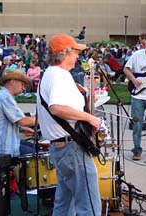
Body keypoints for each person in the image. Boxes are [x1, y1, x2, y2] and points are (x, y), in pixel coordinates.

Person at [36, 34, 101, 216]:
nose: (77, 56)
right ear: (65, 53)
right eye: (75, 52)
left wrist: (87, 99)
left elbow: (60, 107)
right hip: (71, 148)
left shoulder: (51, 74)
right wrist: (90, 118)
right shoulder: (59, 75)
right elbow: (56, 108)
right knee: (88, 204)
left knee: (64, 204)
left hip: (62, 147)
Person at [0, 70, 36, 157]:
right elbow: (23, 121)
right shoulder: (4, 97)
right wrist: (45, 120)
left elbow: (2, 121)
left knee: (31, 146)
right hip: (1, 149)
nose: (24, 88)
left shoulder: (1, 95)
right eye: (22, 84)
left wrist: (21, 129)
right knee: (35, 151)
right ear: (13, 81)